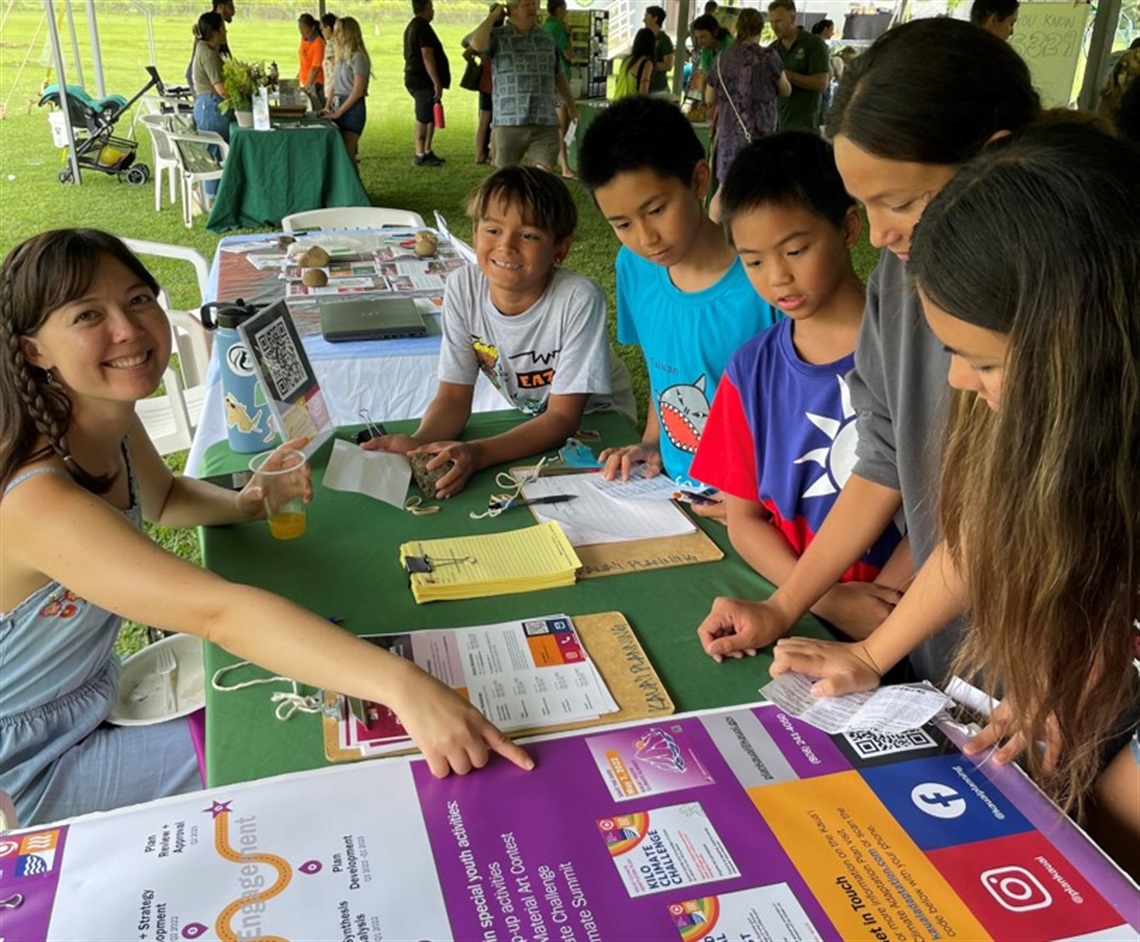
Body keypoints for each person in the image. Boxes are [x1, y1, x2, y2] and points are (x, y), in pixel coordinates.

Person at [0, 229, 535, 827]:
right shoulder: (38, 500)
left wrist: (249, 502)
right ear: (34, 350)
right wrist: (405, 685)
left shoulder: (102, 417)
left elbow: (166, 496)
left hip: (95, 697)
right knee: (300, 748)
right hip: (26, 768)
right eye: (87, 315)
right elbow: (219, 614)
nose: (127, 329)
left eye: (138, 300)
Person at [770, 121, 1140, 878]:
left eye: (981, 360)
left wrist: (1091, 806)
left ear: (1088, 347)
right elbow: (983, 535)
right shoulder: (1040, 417)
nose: (957, 382)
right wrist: (873, 654)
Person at [695, 19, 1040, 663]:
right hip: (945, 656)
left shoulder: (1061, 312)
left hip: (1029, 661)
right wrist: (788, 605)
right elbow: (883, 456)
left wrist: (873, 649)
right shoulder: (897, 280)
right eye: (865, 205)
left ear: (995, 160)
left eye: (903, 202)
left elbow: (993, 519)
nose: (880, 235)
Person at [690, 132, 907, 640]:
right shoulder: (751, 369)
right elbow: (742, 519)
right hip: (804, 614)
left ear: (849, 227)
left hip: (905, 614)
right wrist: (825, 600)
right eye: (754, 260)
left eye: (796, 249)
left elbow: (943, 514)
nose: (778, 278)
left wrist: (879, 613)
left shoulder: (906, 354)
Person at [361, 168, 634, 498]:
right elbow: (452, 398)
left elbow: (563, 417)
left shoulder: (578, 298)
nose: (506, 246)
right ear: (474, 235)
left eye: (529, 235)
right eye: (492, 229)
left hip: (598, 423)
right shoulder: (463, 287)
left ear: (560, 248)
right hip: (532, 421)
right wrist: (420, 446)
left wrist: (477, 453)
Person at [577, 96, 781, 490]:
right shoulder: (633, 267)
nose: (646, 238)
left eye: (656, 210)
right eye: (622, 224)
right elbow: (665, 371)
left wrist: (755, 502)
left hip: (756, 497)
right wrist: (652, 441)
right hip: (675, 487)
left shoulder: (767, 282)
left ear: (699, 180)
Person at [468, 0, 578, 170]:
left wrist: (571, 105)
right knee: (506, 178)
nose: (533, 8)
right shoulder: (497, 37)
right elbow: (476, 44)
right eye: (527, 5)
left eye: (534, 4)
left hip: (545, 121)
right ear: (512, 9)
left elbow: (559, 75)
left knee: (544, 178)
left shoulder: (547, 39)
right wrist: (493, 16)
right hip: (509, 122)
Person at [704, 8, 789, 219]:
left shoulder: (722, 57)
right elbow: (786, 90)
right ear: (761, 28)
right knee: (761, 191)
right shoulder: (769, 56)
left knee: (724, 189)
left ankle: (715, 235)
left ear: (737, 27)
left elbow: (708, 98)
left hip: (729, 135)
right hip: (762, 136)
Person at [767, 0, 829, 132]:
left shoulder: (813, 44)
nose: (774, 27)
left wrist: (789, 76)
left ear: (792, 18)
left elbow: (822, 83)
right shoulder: (772, 49)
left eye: (778, 21)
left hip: (804, 125)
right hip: (778, 123)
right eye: (771, 22)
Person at [190, 11, 232, 199]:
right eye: (223, 29)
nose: (225, 33)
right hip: (212, 107)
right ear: (215, 33)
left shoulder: (203, 48)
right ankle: (212, 197)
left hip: (204, 104)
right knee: (215, 152)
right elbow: (221, 89)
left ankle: (214, 195)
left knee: (215, 151)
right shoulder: (209, 55)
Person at [404, 0, 450, 168]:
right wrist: (436, 81)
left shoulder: (413, 26)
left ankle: (427, 150)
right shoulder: (422, 27)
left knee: (430, 114)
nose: (433, 11)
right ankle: (419, 154)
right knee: (423, 116)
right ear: (425, 8)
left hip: (418, 78)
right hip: (422, 79)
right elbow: (427, 56)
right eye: (431, 7)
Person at [321, 16, 370, 170]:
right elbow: (334, 85)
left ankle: (354, 192)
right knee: (340, 154)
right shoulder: (342, 58)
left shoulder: (358, 58)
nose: (335, 36)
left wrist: (339, 112)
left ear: (349, 33)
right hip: (338, 105)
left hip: (352, 109)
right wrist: (327, 107)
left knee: (348, 154)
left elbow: (358, 90)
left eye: (339, 32)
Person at [542, 0, 576, 178]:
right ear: (558, 10)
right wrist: (569, 35)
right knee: (561, 125)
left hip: (548, 83)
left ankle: (555, 162)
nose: (567, 11)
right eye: (565, 8)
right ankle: (564, 166)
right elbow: (568, 53)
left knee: (559, 123)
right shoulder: (558, 29)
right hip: (559, 84)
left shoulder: (545, 27)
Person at [185, 0, 234, 87]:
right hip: (201, 78)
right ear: (220, 7)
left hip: (211, 75)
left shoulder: (219, 25)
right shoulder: (208, 24)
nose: (233, 12)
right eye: (230, 6)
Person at [613, 27, 656, 99]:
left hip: (618, 103)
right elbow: (643, 88)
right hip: (631, 105)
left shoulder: (626, 60)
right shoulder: (646, 63)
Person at [643, 5, 675, 97]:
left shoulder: (664, 40)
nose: (643, 20)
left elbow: (668, 65)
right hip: (643, 88)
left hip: (658, 90)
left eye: (646, 16)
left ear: (655, 18)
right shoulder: (644, 38)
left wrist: (648, 65)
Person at [297, 13, 326, 110]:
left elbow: (315, 68)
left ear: (312, 28)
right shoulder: (304, 39)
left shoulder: (318, 42)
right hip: (306, 82)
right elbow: (304, 60)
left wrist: (307, 86)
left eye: (304, 28)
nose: (301, 31)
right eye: (300, 28)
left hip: (315, 84)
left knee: (316, 111)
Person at [320, 12, 338, 96]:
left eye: (322, 29)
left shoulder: (331, 44)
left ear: (328, 28)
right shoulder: (339, 42)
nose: (322, 32)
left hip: (333, 90)